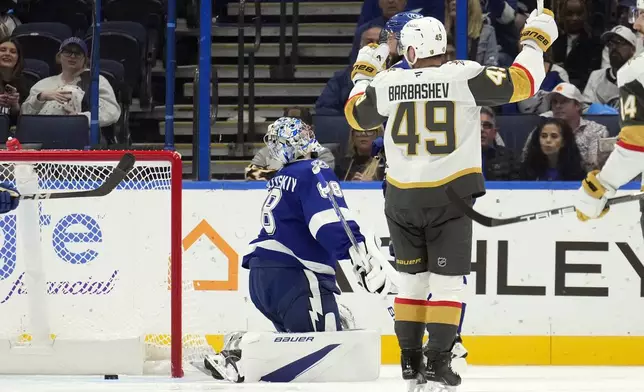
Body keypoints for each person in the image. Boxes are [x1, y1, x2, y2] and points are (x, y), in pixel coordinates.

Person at [345, 11, 557, 391]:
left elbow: (356, 116)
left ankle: (409, 361)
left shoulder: (388, 81)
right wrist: (535, 40)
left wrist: (363, 72)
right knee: (446, 286)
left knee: (410, 284)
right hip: (449, 196)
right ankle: (439, 359)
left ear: (410, 50)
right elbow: (522, 83)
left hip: (400, 198)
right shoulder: (462, 74)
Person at [202, 117, 396, 383]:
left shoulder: (282, 177)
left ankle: (241, 351)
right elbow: (329, 220)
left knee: (300, 349)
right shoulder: (313, 169)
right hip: (296, 275)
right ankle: (240, 350)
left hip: (264, 277)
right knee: (323, 355)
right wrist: (358, 257)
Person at [574, 0, 644, 223]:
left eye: (643, 15)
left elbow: (636, 146)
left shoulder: (636, 72)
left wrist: (601, 186)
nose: (638, 25)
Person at [520, 118, 586, 181]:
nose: (548, 140)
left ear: (564, 142)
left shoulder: (577, 172)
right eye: (544, 136)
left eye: (554, 136)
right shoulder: (527, 170)